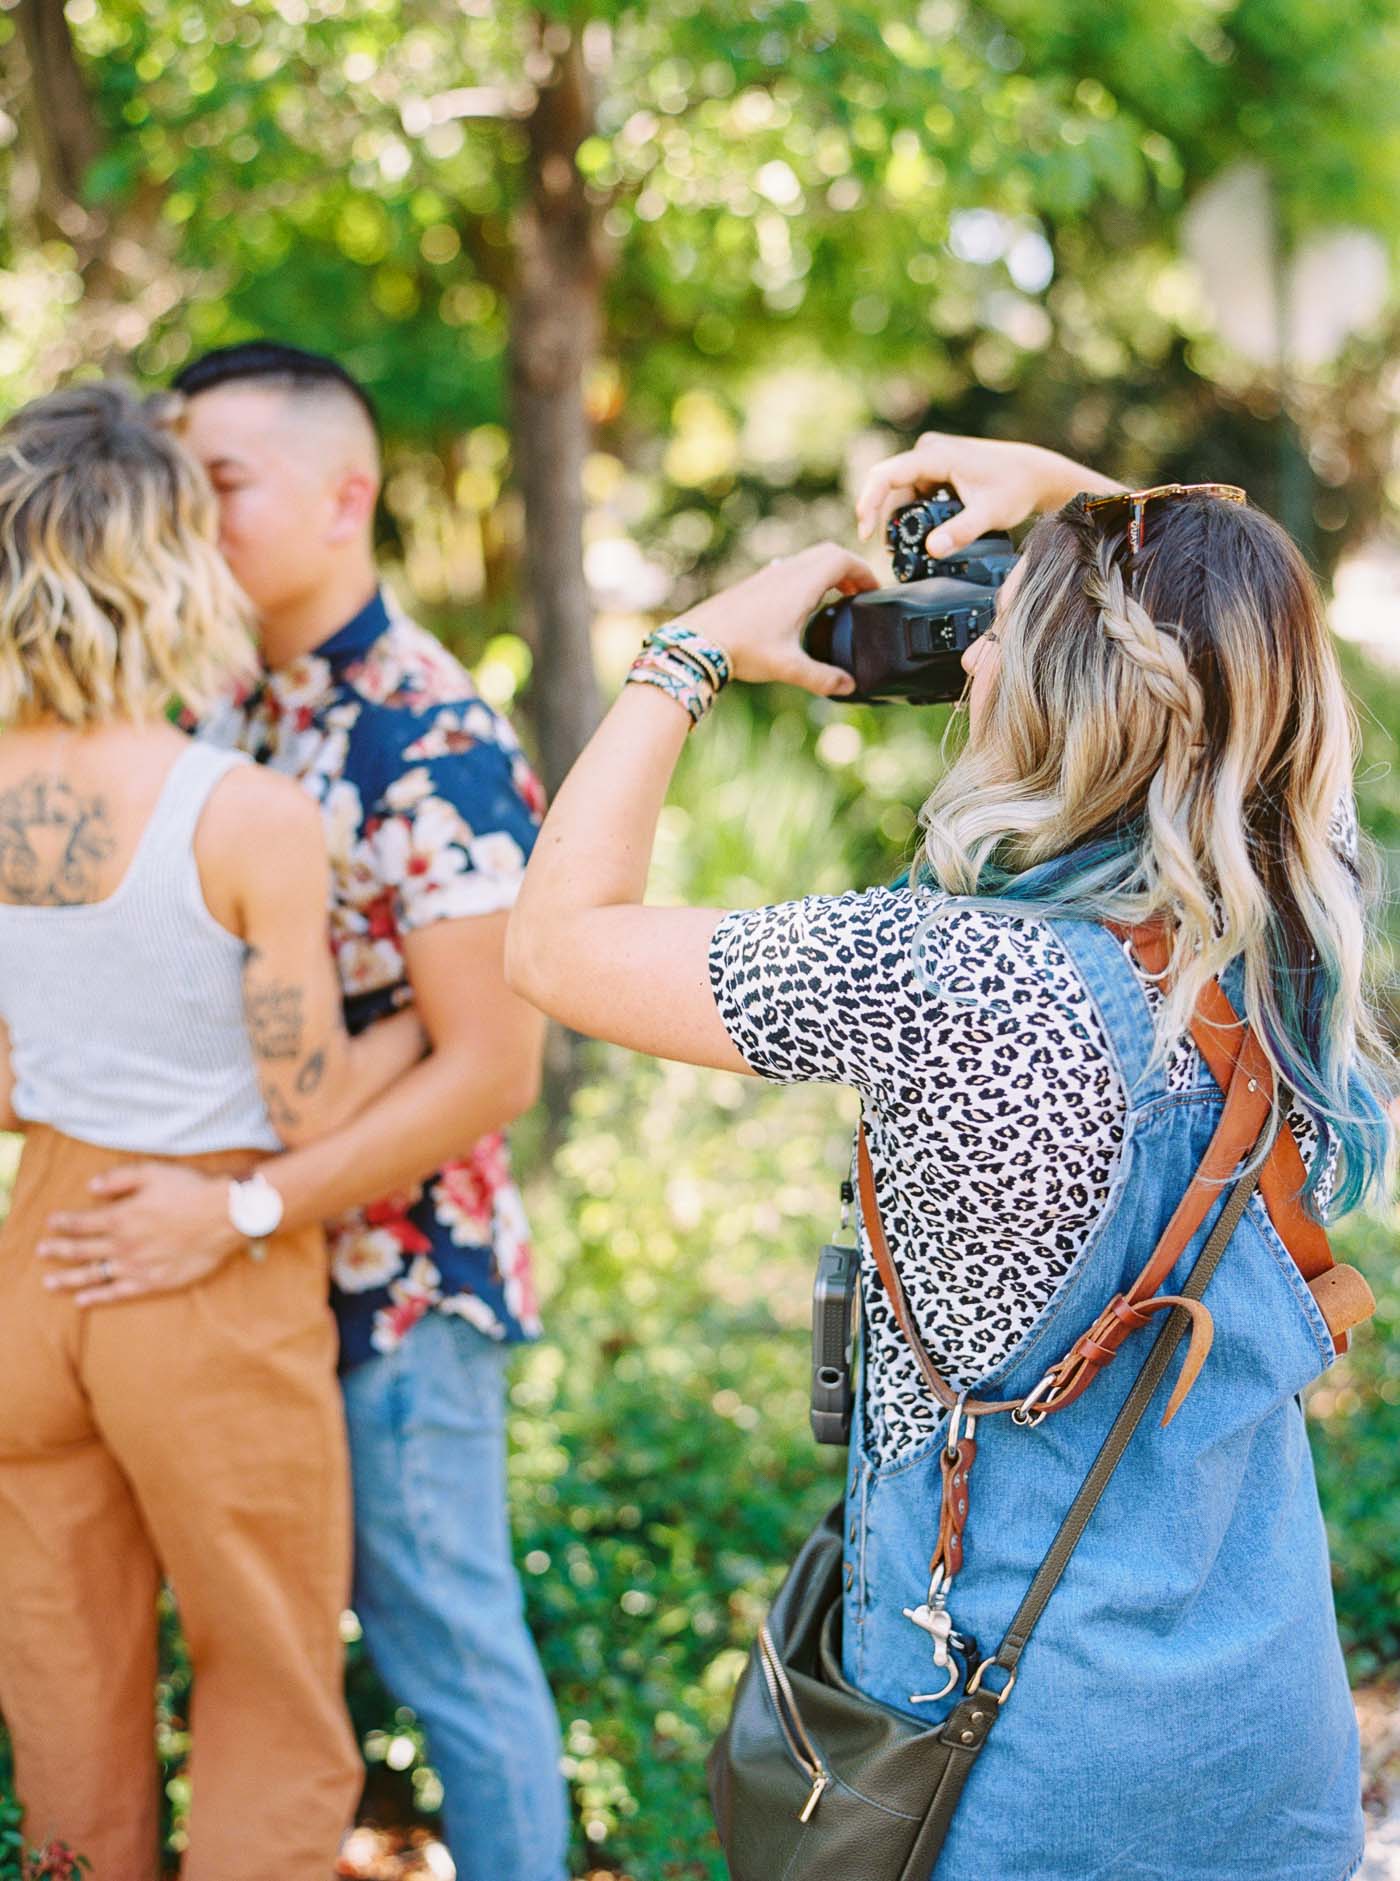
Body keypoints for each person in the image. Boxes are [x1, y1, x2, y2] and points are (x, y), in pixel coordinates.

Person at [505, 432, 1394, 1880]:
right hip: (1264, 1753)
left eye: (1005, 636)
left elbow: (552, 942)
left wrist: (693, 651)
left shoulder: (950, 981)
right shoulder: (1301, 907)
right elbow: (1252, 640)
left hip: (1017, 1783)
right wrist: (1068, 497)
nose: (970, 665)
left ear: (1067, 689)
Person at [38, 344, 569, 1881]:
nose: (185, 521)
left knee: (449, 1654)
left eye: (219, 487)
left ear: (346, 496)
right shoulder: (205, 705)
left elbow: (492, 1067)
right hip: (218, 1292)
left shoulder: (434, 736)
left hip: (393, 1288)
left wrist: (247, 1206)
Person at [0, 381, 428, 1878]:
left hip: (35, 1259)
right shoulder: (242, 813)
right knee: (267, 1686)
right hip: (203, 1272)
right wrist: (417, 1031)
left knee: (64, 1682)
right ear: (170, 560)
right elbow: (304, 1101)